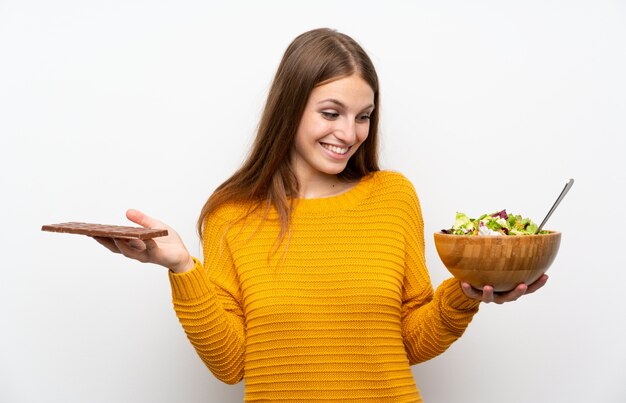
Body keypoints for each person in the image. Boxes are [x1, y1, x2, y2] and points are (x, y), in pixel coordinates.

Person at [94, 28, 547, 403]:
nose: (349, 134)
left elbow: (409, 341)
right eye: (331, 112)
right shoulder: (231, 213)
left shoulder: (392, 197)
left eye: (364, 116)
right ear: (290, 108)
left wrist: (466, 291)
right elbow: (232, 364)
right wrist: (183, 268)